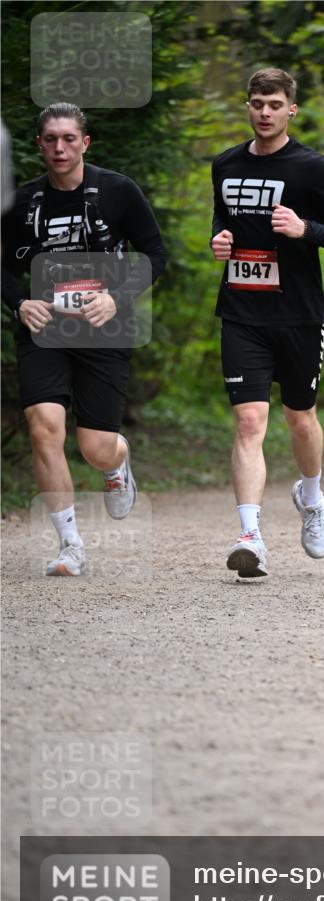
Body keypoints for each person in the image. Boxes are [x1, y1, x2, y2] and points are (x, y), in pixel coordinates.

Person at [210, 67, 324, 578]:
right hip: (242, 311)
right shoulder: (226, 164)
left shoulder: (312, 168)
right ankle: (250, 536)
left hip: (298, 314)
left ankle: (311, 497)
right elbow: (223, 219)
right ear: (248, 106)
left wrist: (306, 229)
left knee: (301, 418)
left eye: (274, 104)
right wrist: (221, 240)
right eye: (256, 103)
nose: (265, 112)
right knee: (250, 421)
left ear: (290, 109)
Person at [1, 103, 167, 576]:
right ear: (38, 144)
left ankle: (116, 464)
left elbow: (155, 253)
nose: (59, 147)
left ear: (85, 142)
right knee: (43, 428)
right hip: (45, 328)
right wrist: (17, 302)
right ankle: (69, 543)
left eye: (69, 138)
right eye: (50, 139)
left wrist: (117, 297)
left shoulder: (117, 191)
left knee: (95, 445)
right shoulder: (21, 202)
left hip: (103, 327)